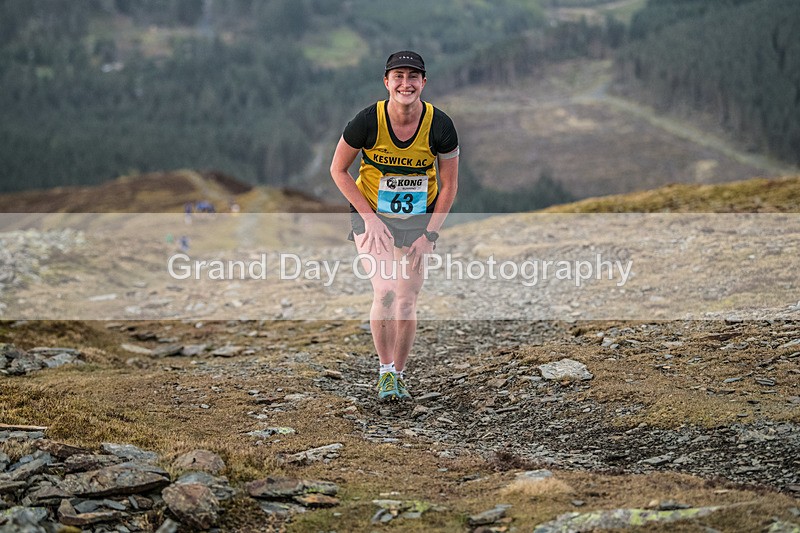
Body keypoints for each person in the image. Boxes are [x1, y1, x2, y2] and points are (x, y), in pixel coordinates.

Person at [330, 51, 459, 401]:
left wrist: (430, 235)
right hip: (372, 214)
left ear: (423, 82)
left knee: (406, 300)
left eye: (413, 76)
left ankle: (399, 375)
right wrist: (369, 217)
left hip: (419, 219)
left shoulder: (441, 125)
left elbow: (449, 186)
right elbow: (338, 170)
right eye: (398, 76)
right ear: (386, 82)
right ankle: (385, 372)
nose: (406, 83)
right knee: (386, 290)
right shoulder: (366, 121)